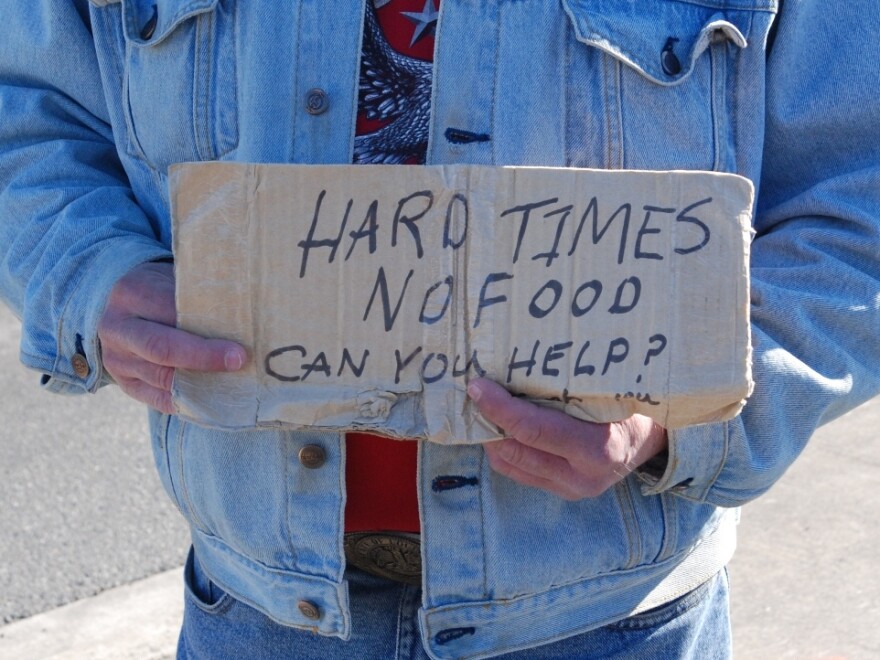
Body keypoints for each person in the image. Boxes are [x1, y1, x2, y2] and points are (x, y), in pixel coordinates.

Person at [1, 0, 878, 658]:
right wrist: (85, 270)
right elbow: (29, 114)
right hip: (256, 619)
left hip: (611, 625)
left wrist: (677, 419)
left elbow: (858, 203)